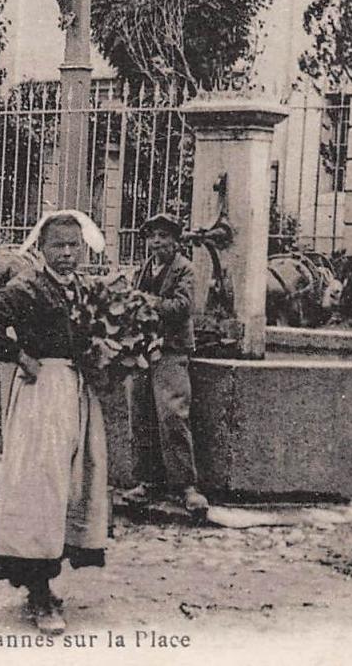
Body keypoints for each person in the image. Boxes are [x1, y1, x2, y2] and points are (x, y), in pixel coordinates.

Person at [0, 210, 110, 635]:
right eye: (57, 246)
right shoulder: (26, 288)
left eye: (73, 245)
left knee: (72, 485)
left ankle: (47, 579)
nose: (66, 254)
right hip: (40, 398)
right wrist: (20, 356)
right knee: (39, 488)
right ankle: (39, 591)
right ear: (41, 249)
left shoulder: (84, 289)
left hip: (77, 394)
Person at [124, 213, 210, 514]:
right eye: (152, 236)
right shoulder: (144, 269)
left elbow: (183, 306)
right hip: (144, 351)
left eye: (163, 236)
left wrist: (145, 301)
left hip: (171, 351)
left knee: (173, 415)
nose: (157, 242)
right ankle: (146, 482)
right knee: (141, 414)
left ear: (176, 241)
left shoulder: (184, 270)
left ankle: (186, 486)